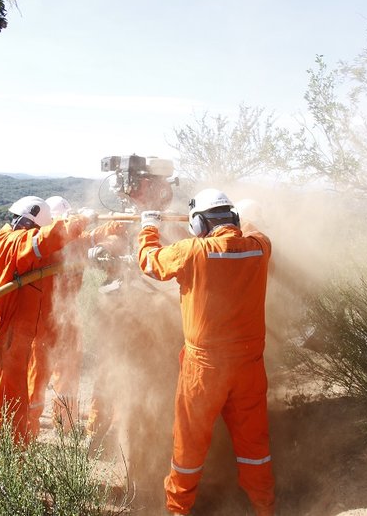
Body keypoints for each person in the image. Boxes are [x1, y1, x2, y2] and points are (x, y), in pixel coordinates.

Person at [137, 188, 275, 516]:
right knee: (255, 447)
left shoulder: (191, 251)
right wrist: (244, 216)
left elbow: (150, 262)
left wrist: (148, 227)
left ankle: (178, 511)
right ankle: (265, 508)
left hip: (204, 369)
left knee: (188, 447)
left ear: (198, 224)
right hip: (249, 367)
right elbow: (252, 230)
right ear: (235, 219)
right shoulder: (260, 247)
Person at [0, 195, 94, 443]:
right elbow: (45, 240)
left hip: (10, 337)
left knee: (14, 403)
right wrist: (82, 219)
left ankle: (17, 457)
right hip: (1, 337)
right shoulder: (11, 244)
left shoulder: (12, 241)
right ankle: (3, 468)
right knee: (3, 407)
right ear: (26, 224)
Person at [26, 196, 127, 436]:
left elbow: (94, 236)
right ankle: (35, 428)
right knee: (43, 377)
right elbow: (86, 238)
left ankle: (60, 426)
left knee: (62, 376)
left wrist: (118, 223)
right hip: (45, 321)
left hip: (64, 319)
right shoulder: (42, 245)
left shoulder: (69, 241)